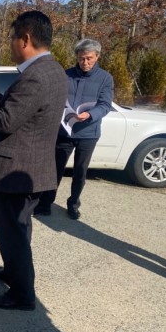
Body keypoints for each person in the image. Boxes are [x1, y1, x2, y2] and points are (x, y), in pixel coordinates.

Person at [0, 11, 67, 310]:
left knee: (14, 233)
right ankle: (13, 271)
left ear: (25, 38)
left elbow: (8, 121)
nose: (10, 43)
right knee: (18, 228)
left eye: (13, 37)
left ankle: (22, 294)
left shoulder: (36, 76)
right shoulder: (53, 70)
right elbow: (23, 113)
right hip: (29, 166)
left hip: (16, 168)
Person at [34, 39, 113, 219]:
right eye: (81, 58)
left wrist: (90, 114)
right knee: (55, 169)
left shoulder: (105, 79)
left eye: (89, 59)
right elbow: (55, 97)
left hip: (88, 133)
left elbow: (105, 105)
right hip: (65, 131)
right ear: (77, 57)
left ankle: (73, 204)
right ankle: (45, 203)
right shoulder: (66, 74)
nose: (85, 63)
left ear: (97, 56)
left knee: (80, 171)